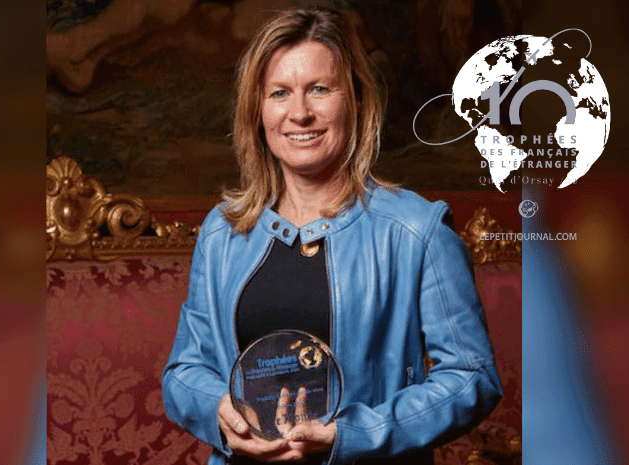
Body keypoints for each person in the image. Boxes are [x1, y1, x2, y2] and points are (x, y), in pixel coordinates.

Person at [162, 8, 502, 464]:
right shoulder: (223, 231)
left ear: (356, 101)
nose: (300, 113)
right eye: (279, 93)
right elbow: (184, 371)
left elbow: (472, 377)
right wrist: (220, 412)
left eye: (319, 89)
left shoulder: (416, 230)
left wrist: (353, 434)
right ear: (258, 111)